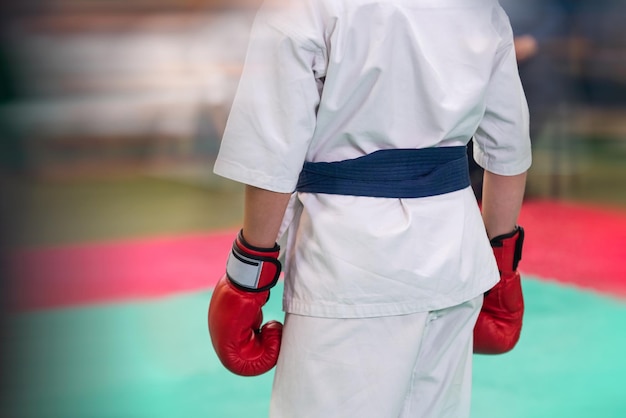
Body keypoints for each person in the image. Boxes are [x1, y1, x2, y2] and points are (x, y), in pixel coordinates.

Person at [208, 0, 531, 417]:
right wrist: (501, 269)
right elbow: (509, 147)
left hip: (348, 265)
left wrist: (245, 282)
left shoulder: (300, 8)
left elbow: (271, 157)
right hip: (456, 256)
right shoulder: (481, 10)